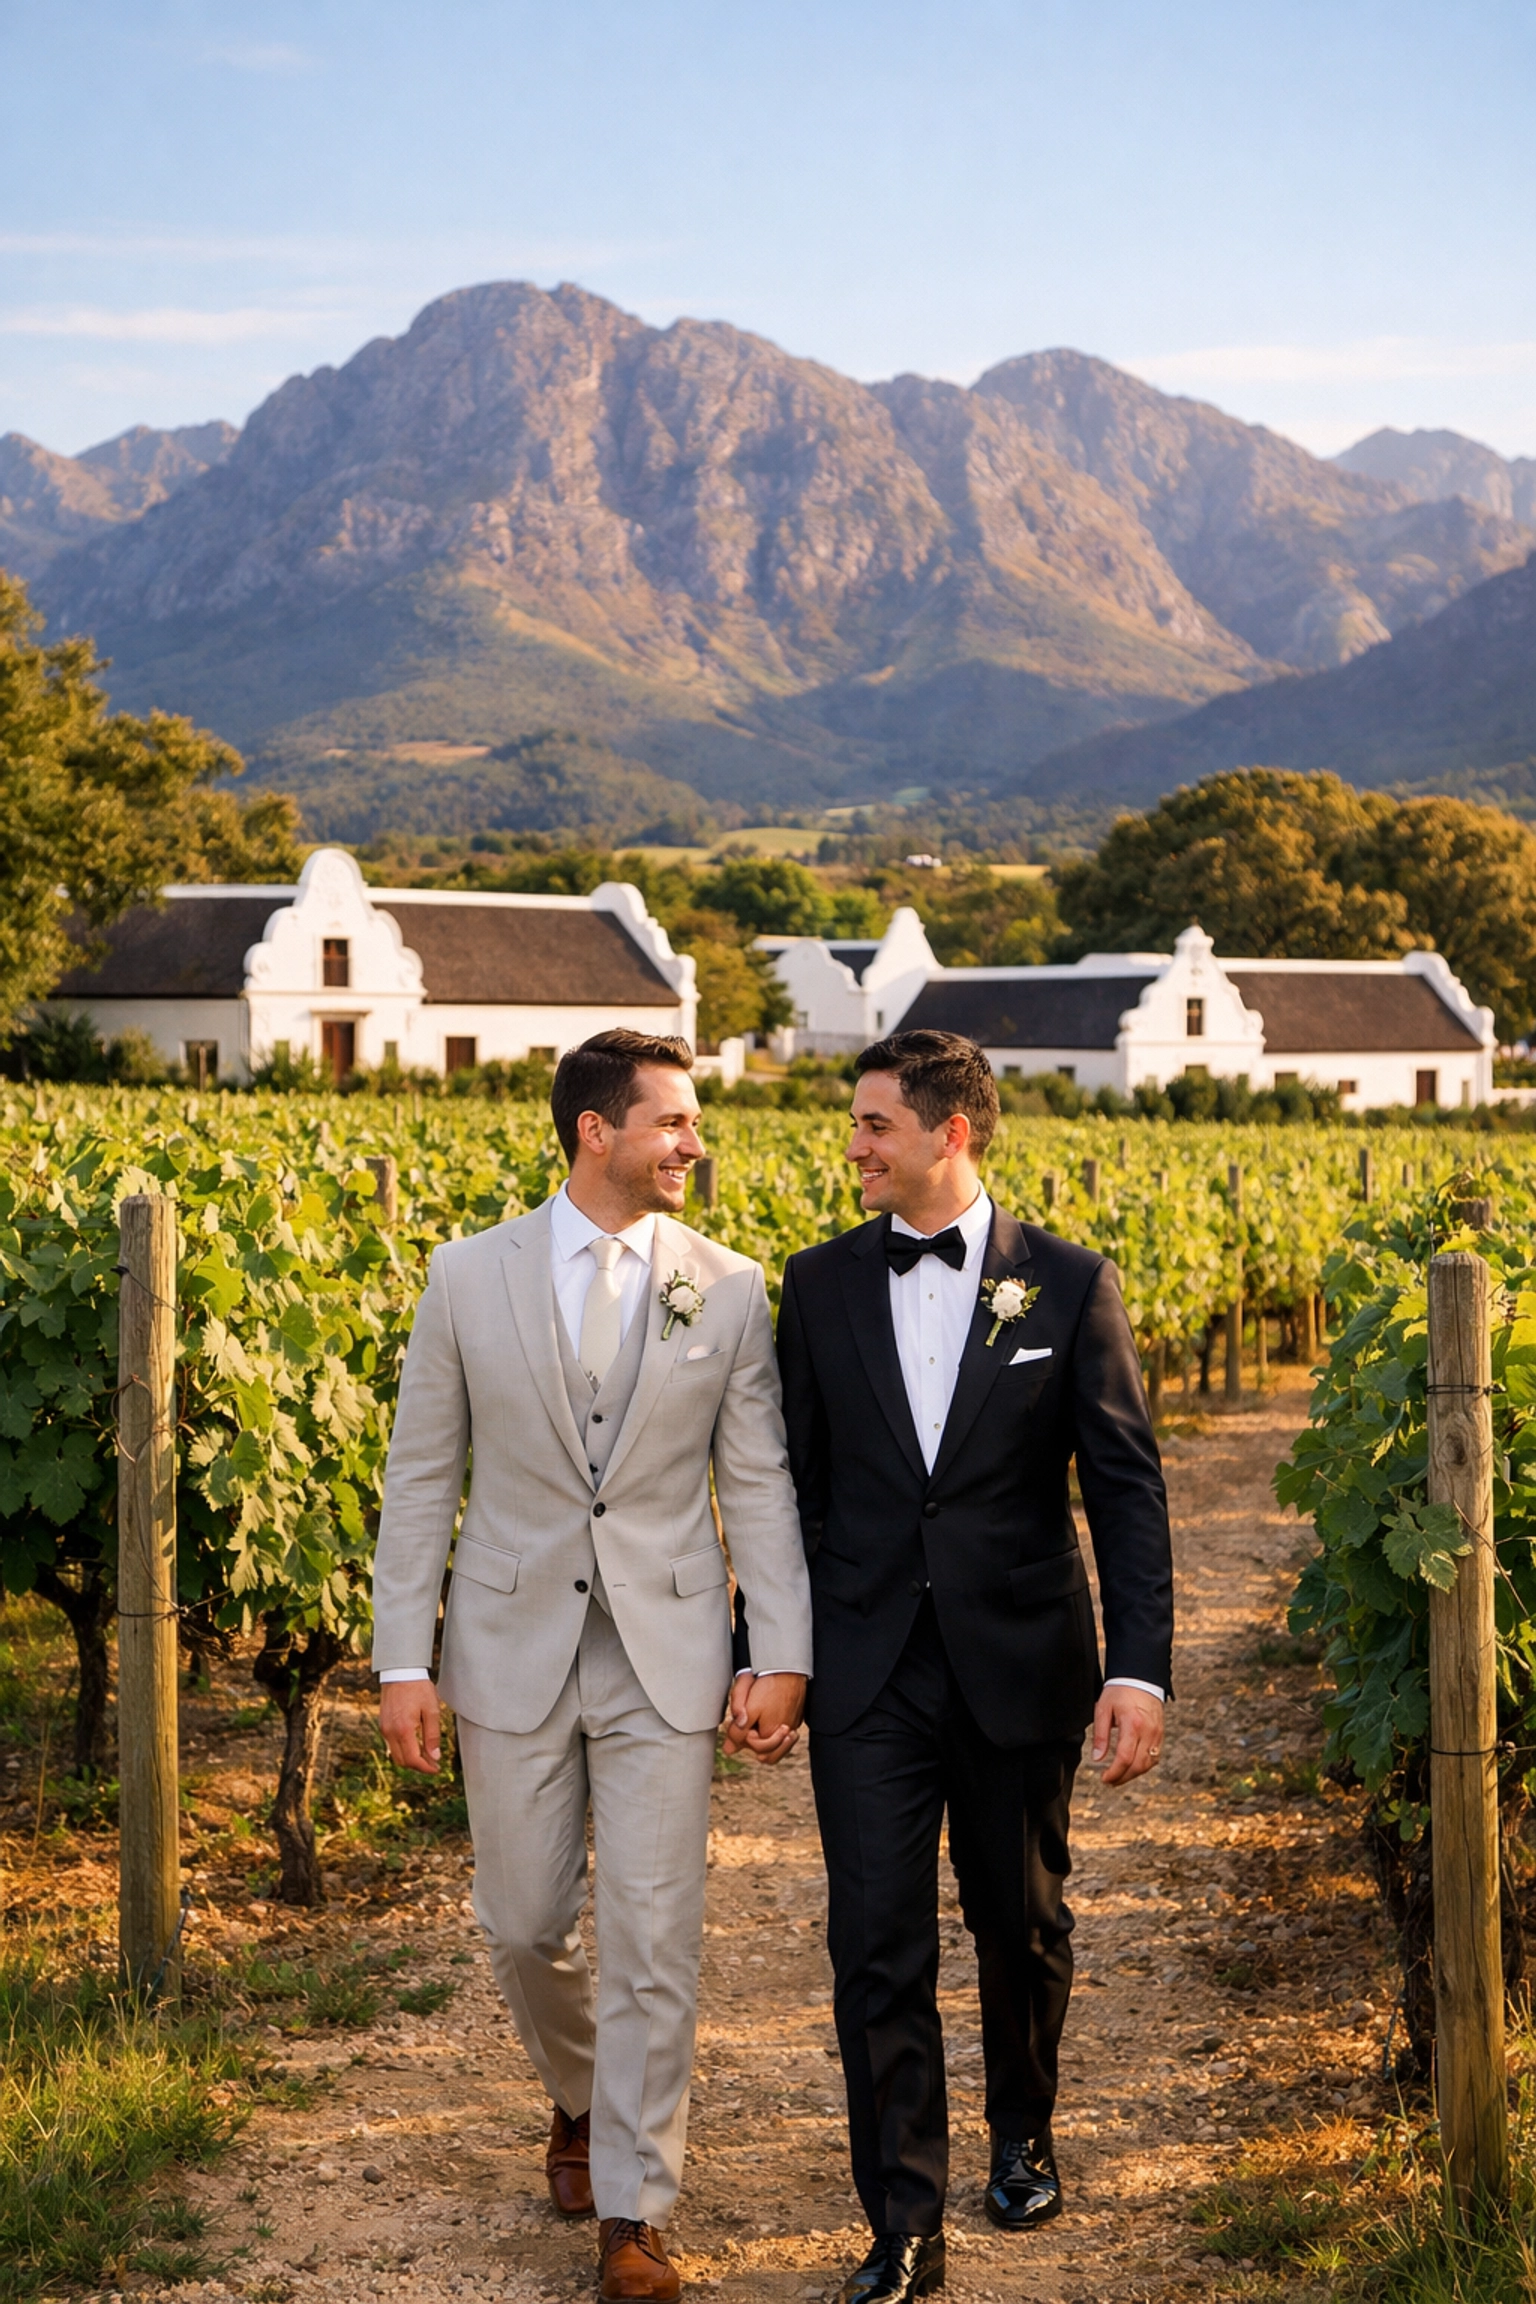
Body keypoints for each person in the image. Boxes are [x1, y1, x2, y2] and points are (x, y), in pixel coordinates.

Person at [733, 1029, 1173, 2304]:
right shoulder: (812, 1290)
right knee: (875, 1943)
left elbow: (1128, 1496)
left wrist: (1137, 1672)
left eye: (875, 1124)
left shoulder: (1074, 1287)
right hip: (867, 1674)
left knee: (1021, 1923)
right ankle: (906, 2226)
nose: (854, 1146)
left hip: (1021, 1665)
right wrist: (771, 1654)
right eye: (856, 1124)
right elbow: (789, 1496)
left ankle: (1023, 2130)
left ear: (951, 1133)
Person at [373, 1029, 812, 2303]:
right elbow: (419, 1483)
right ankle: (578, 2093)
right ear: (595, 1132)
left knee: (657, 1934)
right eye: (673, 1122)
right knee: (521, 1924)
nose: (694, 1144)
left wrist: (777, 1650)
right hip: (507, 1643)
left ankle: (635, 2208)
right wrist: (406, 1657)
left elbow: (759, 1483)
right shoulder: (465, 1278)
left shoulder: (726, 1285)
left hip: (665, 1647)